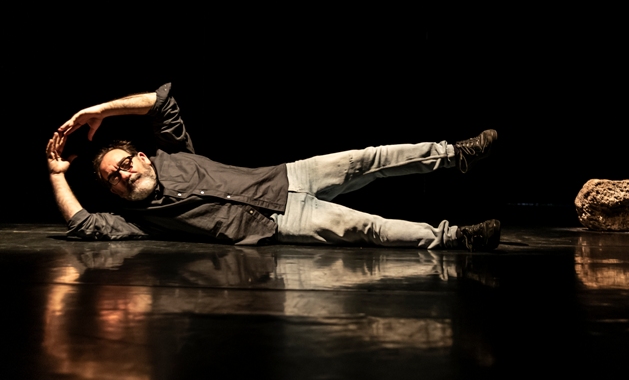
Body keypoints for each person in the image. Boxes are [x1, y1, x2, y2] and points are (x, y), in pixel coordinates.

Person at [46, 83, 501, 251]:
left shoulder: (172, 153)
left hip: (288, 175)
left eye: (124, 163)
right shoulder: (138, 220)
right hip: (279, 221)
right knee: (371, 229)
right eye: (113, 177)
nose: (124, 174)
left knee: (372, 158)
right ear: (113, 190)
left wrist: (99, 111)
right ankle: (456, 238)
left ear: (141, 156)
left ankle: (453, 154)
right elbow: (84, 224)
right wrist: (56, 174)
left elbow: (162, 102)